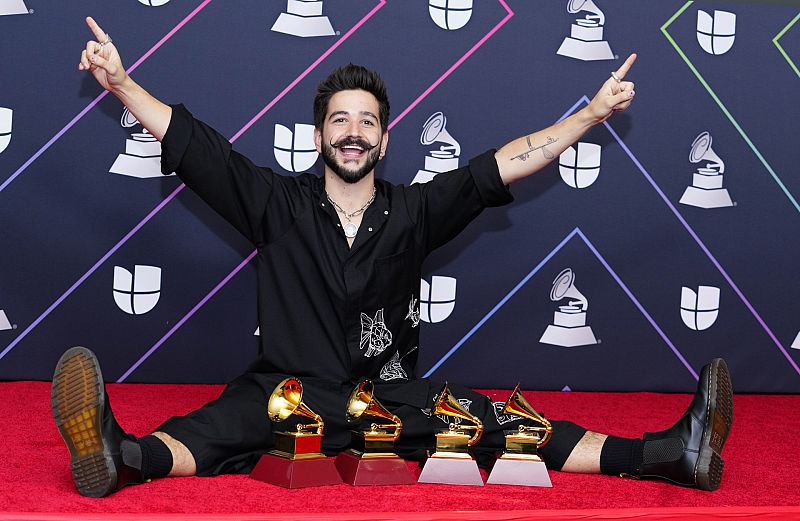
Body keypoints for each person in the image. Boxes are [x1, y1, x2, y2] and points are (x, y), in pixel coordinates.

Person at [51, 17, 733, 498]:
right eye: (340, 120)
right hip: (288, 395)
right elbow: (200, 152)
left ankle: (669, 454)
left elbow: (502, 165)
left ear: (384, 140)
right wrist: (121, 84)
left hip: (390, 399)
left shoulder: (416, 210)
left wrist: (589, 115)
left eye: (367, 121)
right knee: (217, 425)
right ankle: (119, 455)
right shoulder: (276, 203)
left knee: (508, 423)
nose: (353, 132)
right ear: (318, 136)